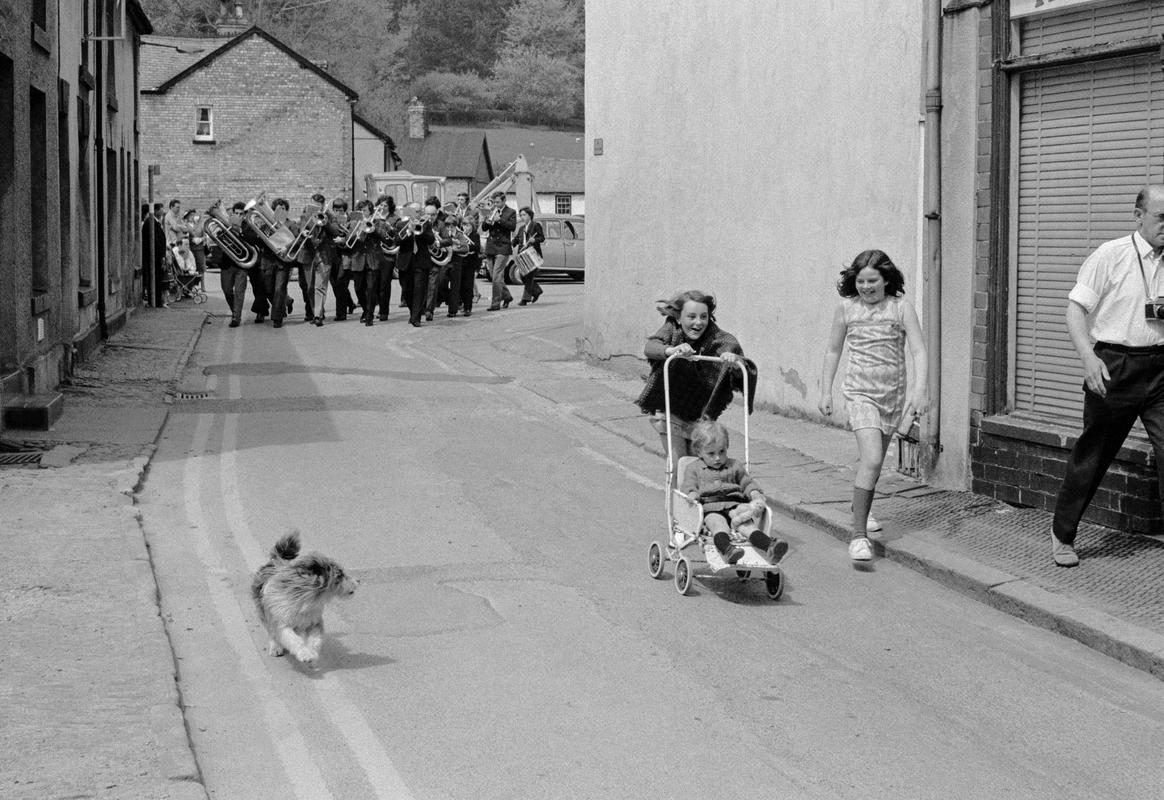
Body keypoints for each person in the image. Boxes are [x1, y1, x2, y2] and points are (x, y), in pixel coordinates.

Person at [1051, 185, 1164, 567]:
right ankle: (1063, 535)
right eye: (1161, 218)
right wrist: (1088, 358)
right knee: (1093, 455)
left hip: (1160, 369)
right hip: (1114, 367)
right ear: (1138, 216)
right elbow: (1075, 311)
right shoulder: (1110, 255)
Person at [818, 250, 928, 563]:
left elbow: (919, 351)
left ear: (887, 280)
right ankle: (858, 538)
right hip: (860, 394)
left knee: (874, 463)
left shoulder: (901, 308)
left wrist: (920, 391)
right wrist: (825, 391)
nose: (866, 287)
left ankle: (860, 509)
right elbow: (832, 351)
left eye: (873, 281)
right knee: (873, 457)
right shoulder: (846, 309)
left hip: (891, 396)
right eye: (861, 281)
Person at [636, 290, 756, 476]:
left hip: (701, 417)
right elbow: (651, 347)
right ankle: (681, 502)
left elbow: (743, 366)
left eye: (703, 316)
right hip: (670, 410)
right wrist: (671, 350)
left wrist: (733, 360)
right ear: (678, 318)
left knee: (702, 469)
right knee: (680, 467)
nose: (698, 322)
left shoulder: (719, 338)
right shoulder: (671, 329)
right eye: (691, 317)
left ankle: (699, 502)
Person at [680, 420, 789, 565]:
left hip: (735, 506)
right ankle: (728, 550)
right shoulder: (694, 468)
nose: (718, 458)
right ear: (699, 452)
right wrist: (692, 493)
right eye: (711, 454)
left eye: (722, 452)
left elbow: (746, 482)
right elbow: (688, 485)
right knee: (719, 525)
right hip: (710, 508)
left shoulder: (734, 466)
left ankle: (770, 546)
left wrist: (754, 492)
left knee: (747, 526)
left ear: (727, 448)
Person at [260, 197, 295, 328]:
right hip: (269, 260)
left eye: (283, 209)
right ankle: (287, 301)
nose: (281, 211)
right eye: (278, 209)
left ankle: (277, 318)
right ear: (273, 211)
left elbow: (296, 240)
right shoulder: (266, 224)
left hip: (283, 262)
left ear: (287, 211)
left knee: (279, 289)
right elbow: (260, 240)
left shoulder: (291, 224)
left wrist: (287, 246)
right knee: (268, 289)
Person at [347, 199, 382, 326]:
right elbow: (348, 239)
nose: (363, 212)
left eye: (365, 210)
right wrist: (356, 232)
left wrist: (374, 230)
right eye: (361, 210)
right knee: (358, 288)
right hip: (358, 259)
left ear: (370, 211)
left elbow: (383, 237)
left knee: (371, 289)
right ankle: (366, 309)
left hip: (372, 259)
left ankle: (369, 315)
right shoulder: (354, 222)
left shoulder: (377, 222)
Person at [481, 191, 517, 311]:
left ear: (504, 200)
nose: (495, 204)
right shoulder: (491, 211)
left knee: (497, 276)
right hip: (491, 247)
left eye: (497, 202)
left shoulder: (511, 212)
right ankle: (507, 296)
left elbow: (512, 227)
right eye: (494, 202)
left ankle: (495, 303)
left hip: (503, 247)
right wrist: (487, 219)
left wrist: (499, 219)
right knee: (493, 276)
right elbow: (484, 228)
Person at [408, 202, 440, 327]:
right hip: (408, 261)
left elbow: (431, 239)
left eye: (418, 211)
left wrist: (420, 232)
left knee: (420, 290)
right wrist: (409, 232)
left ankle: (416, 318)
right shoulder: (403, 222)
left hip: (421, 261)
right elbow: (397, 240)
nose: (417, 214)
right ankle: (413, 313)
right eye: (414, 211)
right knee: (408, 290)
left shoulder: (425, 224)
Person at [447, 215, 481, 317]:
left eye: (468, 225)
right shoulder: (460, 235)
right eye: (464, 225)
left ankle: (468, 308)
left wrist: (466, 245)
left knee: (468, 286)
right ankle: (459, 305)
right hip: (461, 262)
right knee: (459, 285)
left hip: (470, 263)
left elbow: (477, 247)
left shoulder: (475, 235)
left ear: (472, 226)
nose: (466, 227)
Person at [513, 206, 544, 306]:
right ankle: (536, 290)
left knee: (529, 276)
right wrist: (513, 242)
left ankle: (525, 299)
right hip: (523, 254)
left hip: (532, 254)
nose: (522, 217)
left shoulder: (535, 225)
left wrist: (534, 240)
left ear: (530, 215)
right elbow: (517, 239)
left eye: (524, 215)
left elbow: (542, 237)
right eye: (521, 215)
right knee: (523, 275)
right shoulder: (521, 228)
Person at [373, 195, 398, 321]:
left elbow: (394, 235)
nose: (382, 207)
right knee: (374, 284)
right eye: (380, 205)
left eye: (385, 205)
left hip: (388, 255)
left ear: (390, 207)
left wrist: (383, 223)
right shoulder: (374, 217)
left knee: (384, 284)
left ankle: (384, 311)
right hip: (375, 254)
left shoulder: (394, 218)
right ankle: (375, 307)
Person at [141, 203, 167, 308]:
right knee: (155, 278)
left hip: (157, 256)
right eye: (161, 209)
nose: (163, 212)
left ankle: (157, 300)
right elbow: (155, 241)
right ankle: (155, 301)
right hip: (154, 257)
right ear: (155, 211)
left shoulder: (155, 222)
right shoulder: (151, 222)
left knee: (158, 278)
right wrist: (161, 256)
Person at [163, 199, 196, 278]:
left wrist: (180, 227)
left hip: (178, 243)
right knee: (175, 265)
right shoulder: (169, 216)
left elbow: (185, 228)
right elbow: (176, 228)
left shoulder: (177, 216)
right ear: (171, 207)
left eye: (179, 207)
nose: (179, 209)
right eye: (177, 207)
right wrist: (181, 228)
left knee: (182, 264)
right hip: (172, 243)